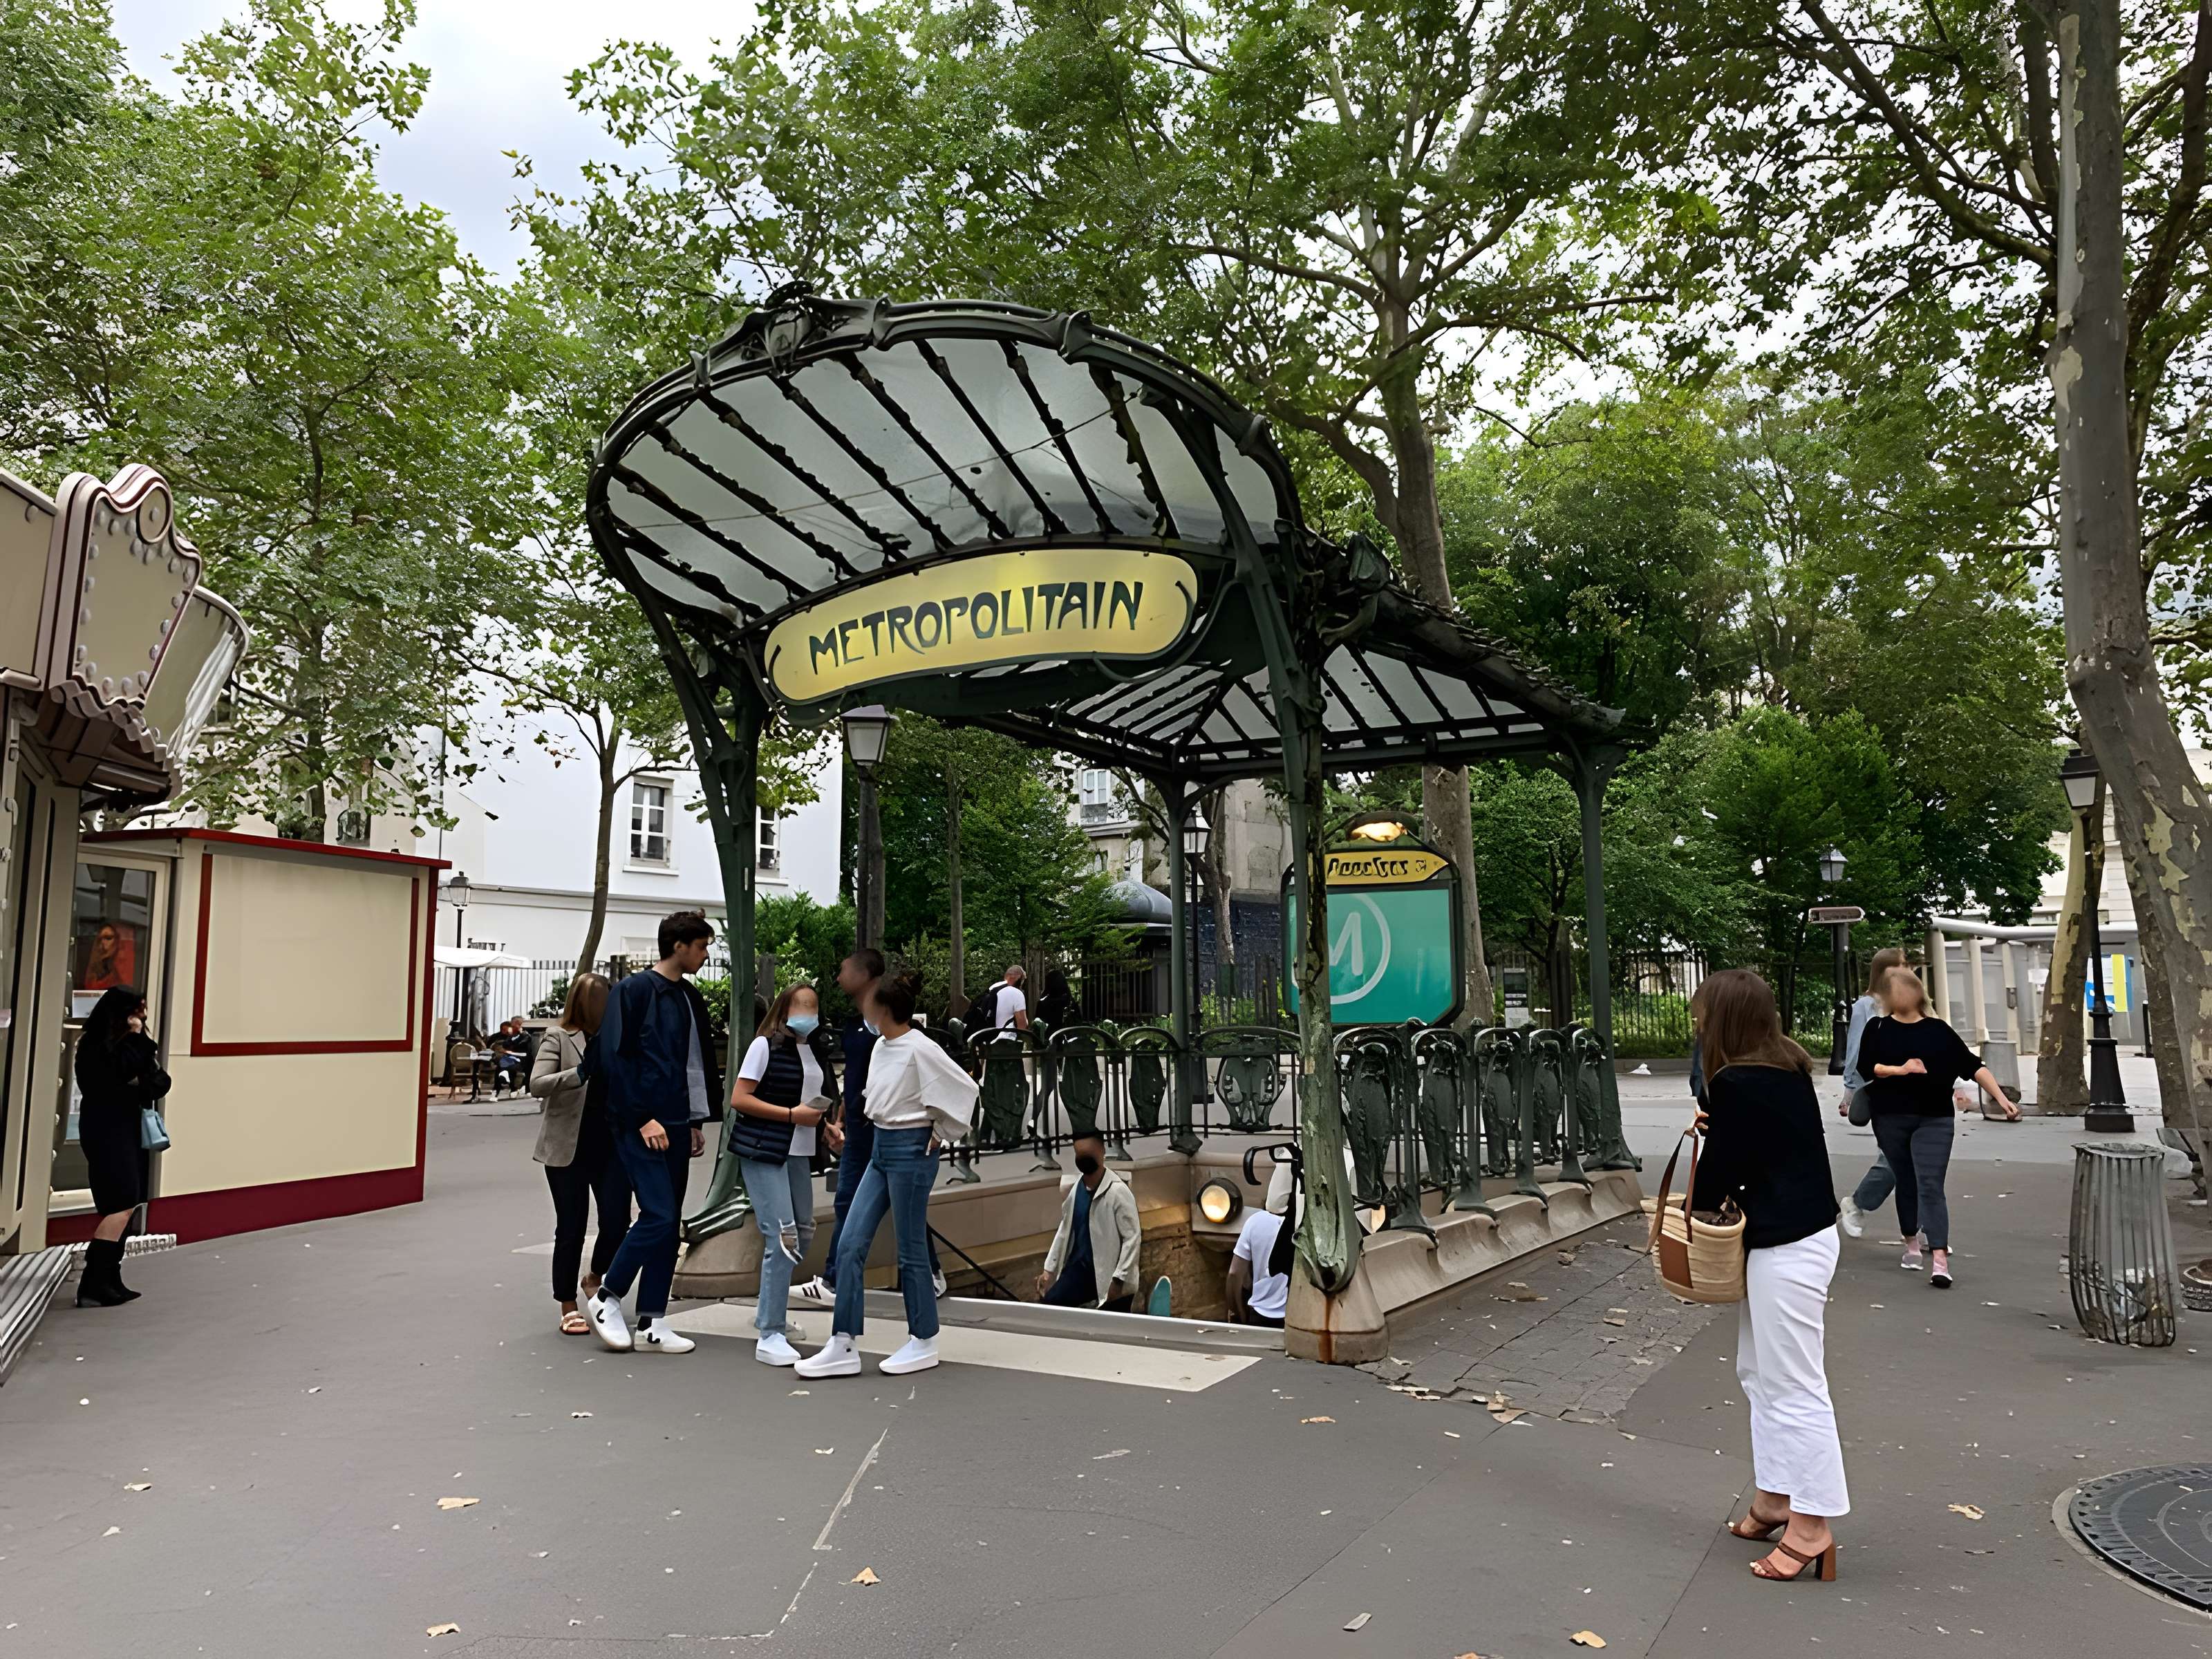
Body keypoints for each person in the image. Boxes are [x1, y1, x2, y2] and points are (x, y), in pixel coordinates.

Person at [1691, 968, 1847, 1585]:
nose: (1697, 1025)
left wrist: (1712, 1138)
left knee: (1794, 1383)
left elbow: (1717, 1181)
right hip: (1801, 1232)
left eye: (1703, 1015)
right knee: (1762, 1372)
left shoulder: (1735, 1080)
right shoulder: (1783, 1066)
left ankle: (1812, 1525)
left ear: (1724, 1019)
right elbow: (1768, 1146)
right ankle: (1776, 1496)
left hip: (1786, 1242)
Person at [797, 974, 978, 1378]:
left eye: (869, 1003)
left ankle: (923, 1338)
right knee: (849, 1243)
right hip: (882, 1146)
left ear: (883, 1009)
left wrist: (940, 1134)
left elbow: (965, 1088)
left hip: (910, 1148)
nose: (862, 1007)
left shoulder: (920, 1048)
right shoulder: (883, 1044)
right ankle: (843, 1341)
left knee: (911, 1248)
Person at [583, 911, 720, 1356]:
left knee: (667, 1221)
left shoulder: (687, 996)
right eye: (701, 946)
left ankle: (654, 1321)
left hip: (678, 1121)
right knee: (659, 1214)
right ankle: (607, 1297)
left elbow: (694, 1062)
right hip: (640, 1124)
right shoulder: (634, 991)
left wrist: (695, 1120)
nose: (705, 954)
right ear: (678, 945)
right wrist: (643, 1117)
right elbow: (614, 1059)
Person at [795, 949, 942, 1305]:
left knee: (899, 1205)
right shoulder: (857, 1028)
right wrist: (844, 1115)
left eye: (844, 969)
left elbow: (949, 1086)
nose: (838, 976)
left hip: (894, 1133)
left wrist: (938, 1131)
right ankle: (837, 1281)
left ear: (866, 975)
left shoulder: (904, 1036)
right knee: (852, 1200)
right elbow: (863, 1080)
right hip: (864, 1128)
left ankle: (927, 1279)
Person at [1860, 966, 2018, 1288]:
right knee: (1906, 1179)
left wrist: (2001, 1098)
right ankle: (1911, 1242)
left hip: (1935, 1118)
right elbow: (1867, 1066)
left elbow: (1973, 1065)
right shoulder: (1876, 1028)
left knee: (1930, 1183)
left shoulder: (1938, 1030)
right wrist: (1901, 1070)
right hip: (1890, 1117)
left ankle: (1940, 1258)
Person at [728, 983, 838, 1365]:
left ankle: (769, 1314)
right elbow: (740, 1099)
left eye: (814, 1005)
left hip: (799, 1151)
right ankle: (769, 1333)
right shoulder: (764, 1045)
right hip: (765, 1149)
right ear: (785, 1009)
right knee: (784, 1236)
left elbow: (811, 1101)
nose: (809, 1012)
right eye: (802, 1005)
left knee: (803, 1231)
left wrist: (825, 1127)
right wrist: (793, 1116)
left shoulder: (814, 1050)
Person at [529, 973, 630, 1335]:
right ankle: (568, 1305)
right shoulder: (558, 1037)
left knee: (618, 1222)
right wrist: (579, 1074)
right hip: (566, 1149)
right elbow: (537, 1084)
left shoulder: (618, 1039)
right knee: (570, 1228)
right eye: (597, 1001)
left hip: (610, 1146)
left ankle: (596, 1276)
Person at [72, 986, 169, 1308]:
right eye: (137, 1009)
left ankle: (110, 1278)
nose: (142, 1015)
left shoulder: (127, 1046)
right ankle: (93, 1283)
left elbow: (160, 1082)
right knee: (120, 1202)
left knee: (129, 1202)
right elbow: (117, 1077)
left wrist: (139, 1074)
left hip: (128, 1128)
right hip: (106, 1128)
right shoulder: (94, 1046)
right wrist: (138, 1044)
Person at [1837, 947, 1908, 1239]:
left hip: (1916, 1090)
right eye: (1901, 965)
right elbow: (1854, 1049)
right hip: (1883, 1091)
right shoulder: (1866, 1006)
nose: (1907, 969)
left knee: (1922, 1164)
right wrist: (1850, 1091)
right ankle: (1857, 1202)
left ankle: (1926, 1233)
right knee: (1896, 1158)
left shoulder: (1911, 1000)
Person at [1037, 1130, 1141, 1311]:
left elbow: (1132, 1239)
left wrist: (1119, 1279)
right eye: (1080, 1153)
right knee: (1051, 1306)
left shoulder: (1118, 1192)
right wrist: (1049, 1270)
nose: (1084, 1158)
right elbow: (1065, 1230)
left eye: (1089, 1152)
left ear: (1101, 1152)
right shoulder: (1076, 1189)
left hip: (1111, 1274)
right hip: (1081, 1272)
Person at [1226, 1187, 1293, 1328]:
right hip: (1297, 1317)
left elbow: (1234, 1274)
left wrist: (1238, 1313)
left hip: (1259, 1314)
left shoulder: (1256, 1221)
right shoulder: (1305, 1224)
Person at [980, 965, 1029, 1032]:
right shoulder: (1016, 993)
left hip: (984, 1035)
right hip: (1004, 1039)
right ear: (1019, 978)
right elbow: (1022, 1024)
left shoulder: (992, 989)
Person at [493, 1018, 534, 1093]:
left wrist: (512, 1045)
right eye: (512, 1026)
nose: (512, 1028)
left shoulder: (525, 1035)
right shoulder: (512, 1036)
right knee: (501, 1065)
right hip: (512, 1057)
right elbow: (505, 1044)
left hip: (523, 1059)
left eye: (514, 1026)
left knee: (509, 1065)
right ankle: (502, 1087)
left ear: (519, 1026)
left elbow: (521, 1044)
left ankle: (523, 1088)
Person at [1035, 968, 1074, 1032]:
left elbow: (1038, 1028)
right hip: (1070, 1040)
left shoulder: (1043, 1004)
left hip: (1050, 1040)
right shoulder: (1070, 1002)